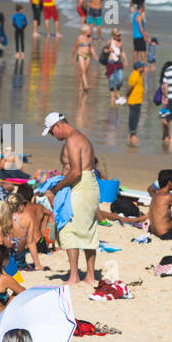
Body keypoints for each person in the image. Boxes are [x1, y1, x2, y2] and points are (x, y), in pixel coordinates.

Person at [44, 112, 99, 285]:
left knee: (68, 229)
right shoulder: (80, 137)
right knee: (88, 230)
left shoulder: (73, 140)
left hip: (82, 187)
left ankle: (74, 276)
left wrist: (56, 188)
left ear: (58, 126)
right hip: (89, 184)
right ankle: (90, 276)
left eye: (52, 132)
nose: (53, 136)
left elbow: (75, 172)